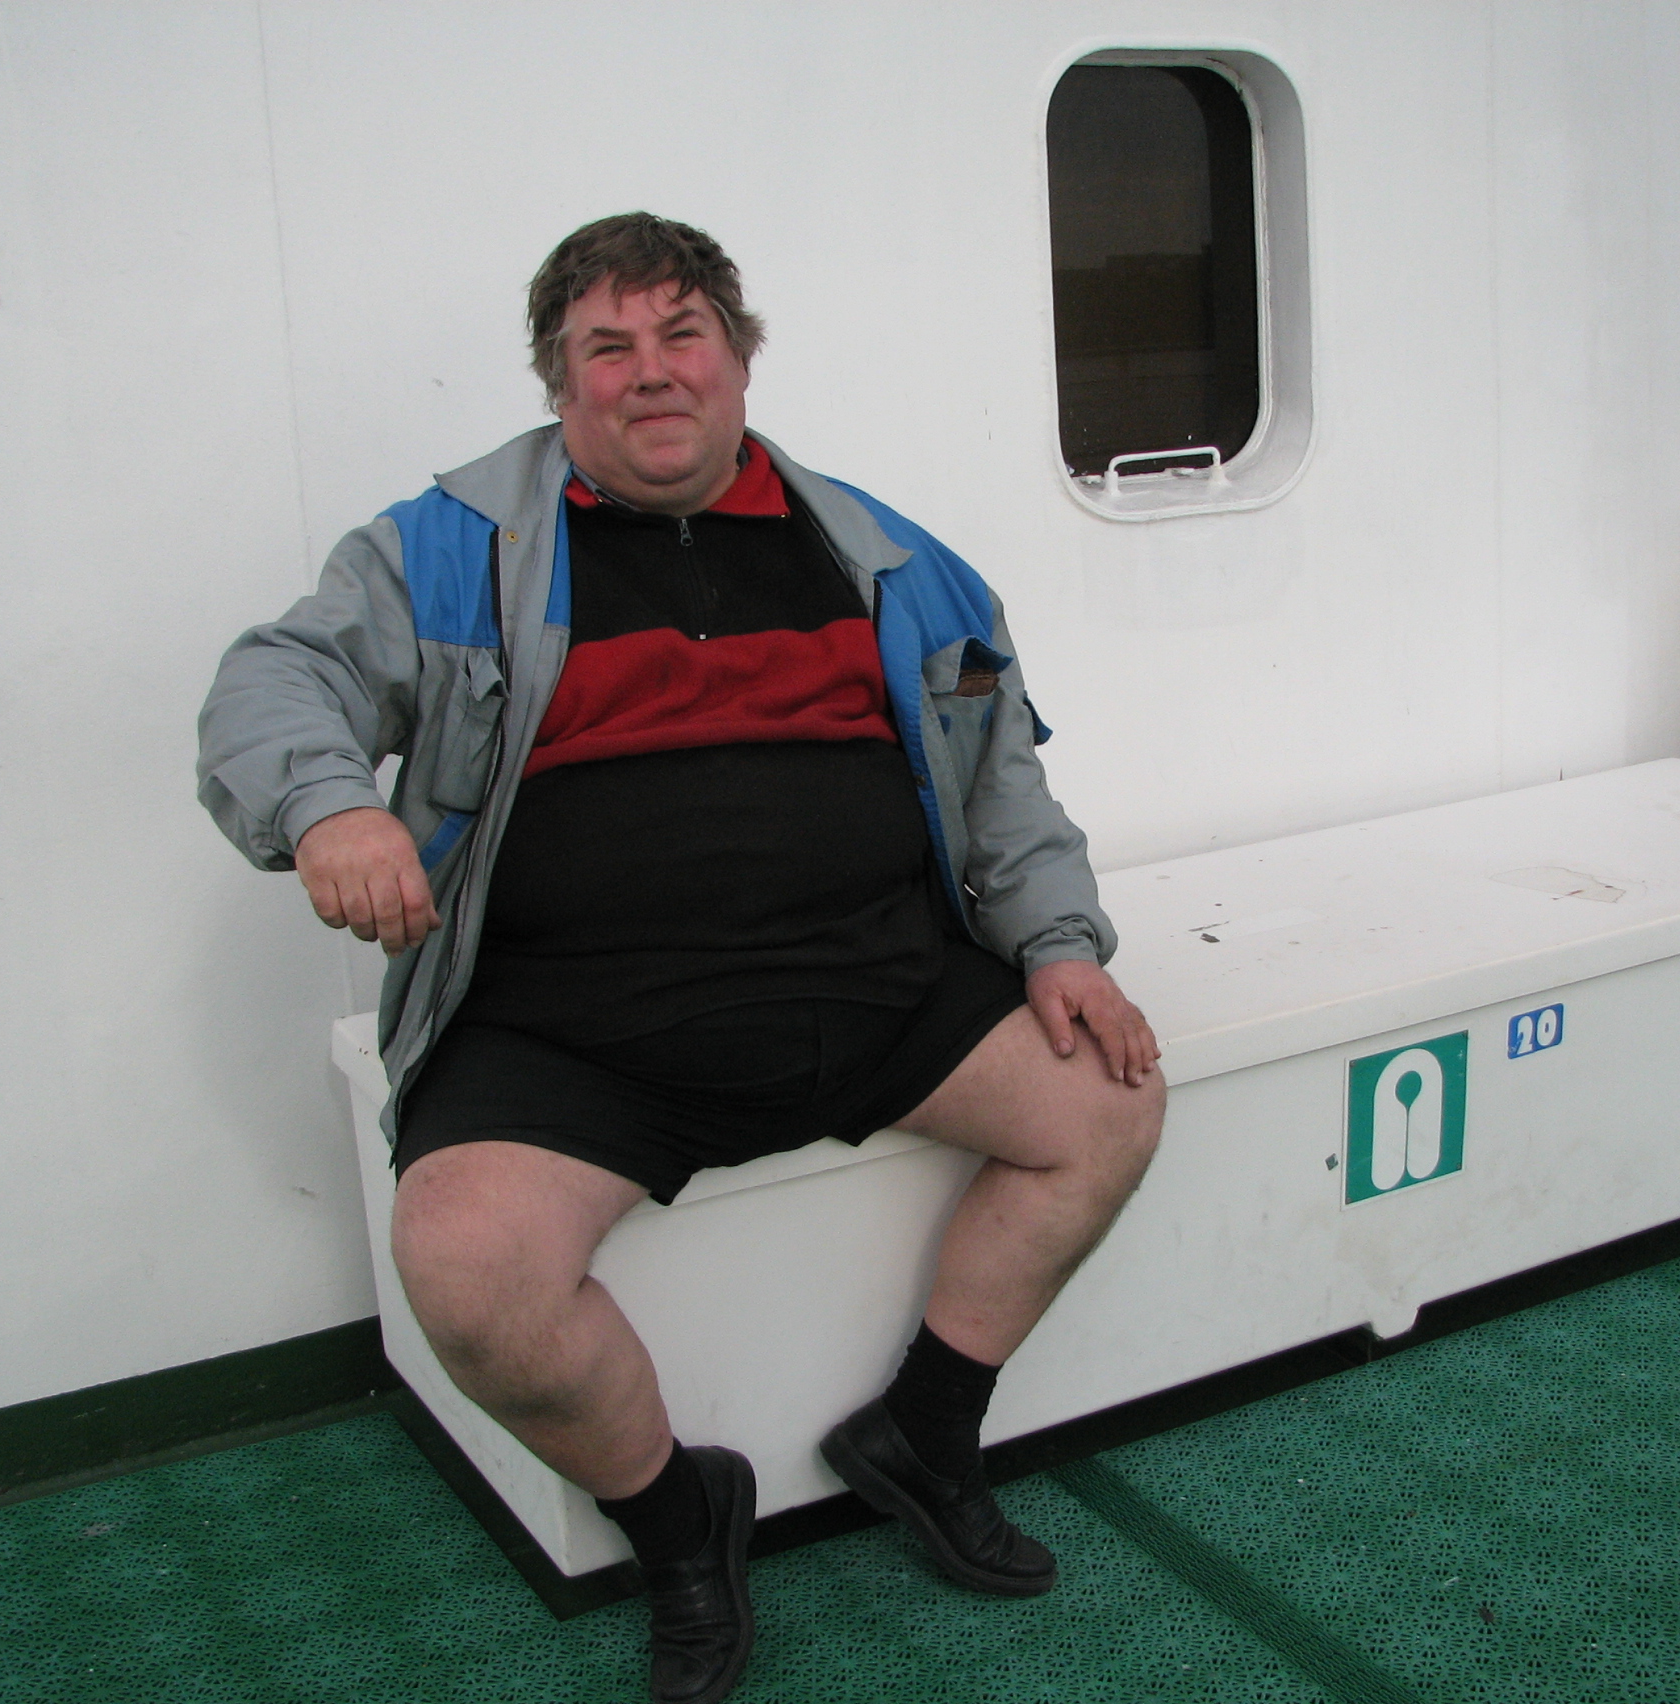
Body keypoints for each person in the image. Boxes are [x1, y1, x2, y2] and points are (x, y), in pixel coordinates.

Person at [198, 213, 1163, 1704]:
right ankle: (678, 1520)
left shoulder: (896, 561)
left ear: (739, 357)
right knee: (465, 1271)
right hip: (570, 1030)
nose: (650, 372)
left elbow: (1002, 787)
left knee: (1109, 1102)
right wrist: (327, 805)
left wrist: (1056, 942)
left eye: (680, 334)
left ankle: (924, 1431)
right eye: (608, 347)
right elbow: (276, 676)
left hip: (881, 983)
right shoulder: (448, 550)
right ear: (559, 382)